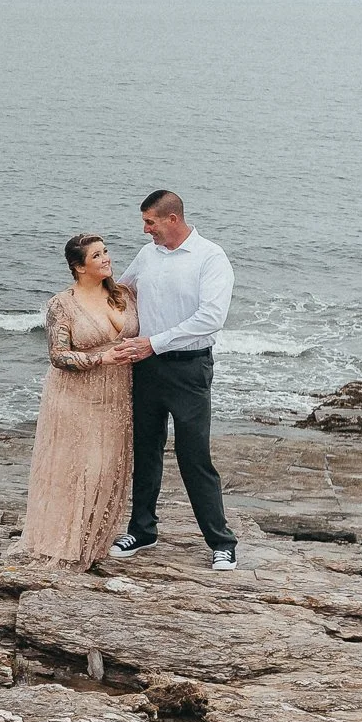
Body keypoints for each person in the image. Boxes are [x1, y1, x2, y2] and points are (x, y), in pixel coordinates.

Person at [107, 189, 243, 570]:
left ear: (172, 219)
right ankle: (142, 530)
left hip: (188, 369)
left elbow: (211, 318)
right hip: (146, 368)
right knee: (145, 451)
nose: (145, 229)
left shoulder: (210, 257)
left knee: (194, 457)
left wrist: (154, 342)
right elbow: (124, 290)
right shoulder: (148, 255)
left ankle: (221, 542)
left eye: (150, 222)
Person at [9, 234, 140, 569]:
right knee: (76, 467)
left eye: (107, 252)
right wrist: (100, 360)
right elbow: (57, 355)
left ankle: (93, 542)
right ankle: (63, 543)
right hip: (75, 395)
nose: (107, 259)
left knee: (108, 466)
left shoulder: (124, 295)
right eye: (98, 255)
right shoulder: (61, 304)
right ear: (79, 267)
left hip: (117, 394)